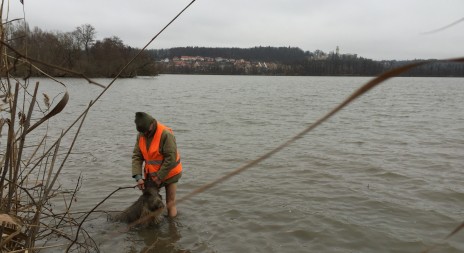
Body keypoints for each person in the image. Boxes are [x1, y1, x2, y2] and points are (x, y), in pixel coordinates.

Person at [132, 112, 182, 218]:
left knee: (170, 202)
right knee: (149, 203)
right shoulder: (141, 135)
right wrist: (138, 177)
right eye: (142, 132)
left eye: (146, 131)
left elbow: (171, 158)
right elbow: (137, 156)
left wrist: (160, 177)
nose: (145, 134)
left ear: (152, 123)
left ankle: (172, 227)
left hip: (170, 173)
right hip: (152, 175)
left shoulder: (166, 134)